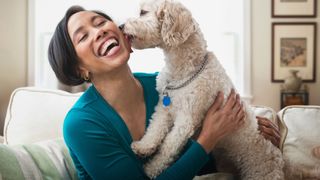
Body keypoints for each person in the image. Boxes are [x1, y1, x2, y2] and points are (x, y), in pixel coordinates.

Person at [48, 5, 281, 180]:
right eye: (83, 36)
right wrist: (208, 138)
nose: (98, 32)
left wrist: (246, 129)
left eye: (100, 23)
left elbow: (203, 156)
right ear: (79, 69)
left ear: (126, 38)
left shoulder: (167, 86)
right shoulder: (81, 123)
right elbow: (201, 144)